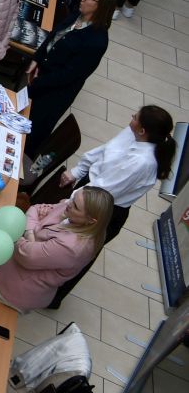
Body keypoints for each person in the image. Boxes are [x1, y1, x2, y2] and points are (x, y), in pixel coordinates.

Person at [43, 106, 176, 306]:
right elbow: (106, 150)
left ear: (143, 131)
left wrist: (70, 202)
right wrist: (79, 170)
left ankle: (51, 295)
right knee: (56, 234)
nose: (131, 117)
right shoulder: (134, 133)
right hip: (89, 190)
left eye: (135, 117)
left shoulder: (142, 162)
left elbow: (105, 190)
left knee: (76, 252)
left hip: (102, 207)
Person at [24, 0, 116, 156]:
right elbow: (53, 36)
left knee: (31, 130)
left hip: (53, 93)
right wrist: (37, 59)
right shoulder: (77, 14)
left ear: (100, 6)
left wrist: (36, 83)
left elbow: (68, 75)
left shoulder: (97, 42)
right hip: (41, 76)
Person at [0, 187, 114, 312]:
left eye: (76, 206)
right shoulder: (71, 210)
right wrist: (29, 233)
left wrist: (16, 232)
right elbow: (36, 208)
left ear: (91, 220)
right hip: (7, 272)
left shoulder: (72, 247)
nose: (68, 203)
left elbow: (26, 255)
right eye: (73, 198)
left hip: (15, 292)